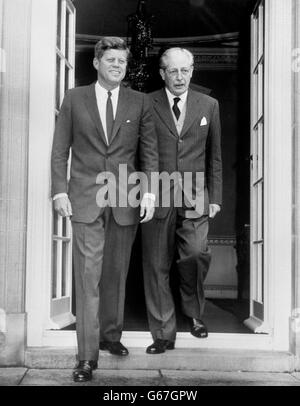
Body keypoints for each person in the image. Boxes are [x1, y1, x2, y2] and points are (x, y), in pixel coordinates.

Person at [51, 37, 158, 381]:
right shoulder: (74, 98)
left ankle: (112, 336)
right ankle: (86, 357)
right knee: (87, 277)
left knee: (115, 274)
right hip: (84, 199)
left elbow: (149, 152)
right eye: (110, 59)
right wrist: (58, 192)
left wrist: (151, 193)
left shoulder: (139, 102)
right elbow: (59, 151)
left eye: (122, 62)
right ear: (96, 63)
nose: (117, 65)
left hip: (125, 200)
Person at [142, 47, 222, 354]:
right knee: (156, 264)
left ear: (192, 71)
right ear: (162, 73)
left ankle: (194, 313)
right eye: (173, 71)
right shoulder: (146, 103)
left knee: (194, 255)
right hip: (155, 194)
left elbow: (214, 155)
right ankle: (163, 333)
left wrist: (214, 197)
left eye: (185, 70)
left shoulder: (209, 105)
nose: (179, 77)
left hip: (195, 195)